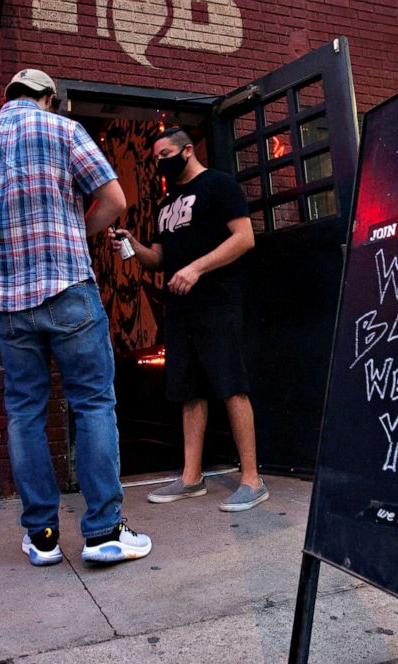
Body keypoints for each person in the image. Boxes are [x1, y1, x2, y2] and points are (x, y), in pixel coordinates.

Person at [0, 68, 152, 567]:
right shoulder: (63, 129)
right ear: (48, 98)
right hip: (66, 288)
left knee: (24, 412)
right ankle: (103, 531)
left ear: (7, 98)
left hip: (6, 302)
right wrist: (77, 234)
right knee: (93, 404)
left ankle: (41, 536)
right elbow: (115, 199)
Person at [110, 128, 268, 511]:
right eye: (156, 157)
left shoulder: (218, 185)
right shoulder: (167, 203)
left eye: (165, 154)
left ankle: (252, 479)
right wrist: (132, 246)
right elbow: (159, 259)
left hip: (217, 302)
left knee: (231, 385)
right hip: (180, 308)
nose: (160, 161)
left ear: (186, 150)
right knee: (188, 391)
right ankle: (190, 477)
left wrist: (197, 268)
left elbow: (244, 238)